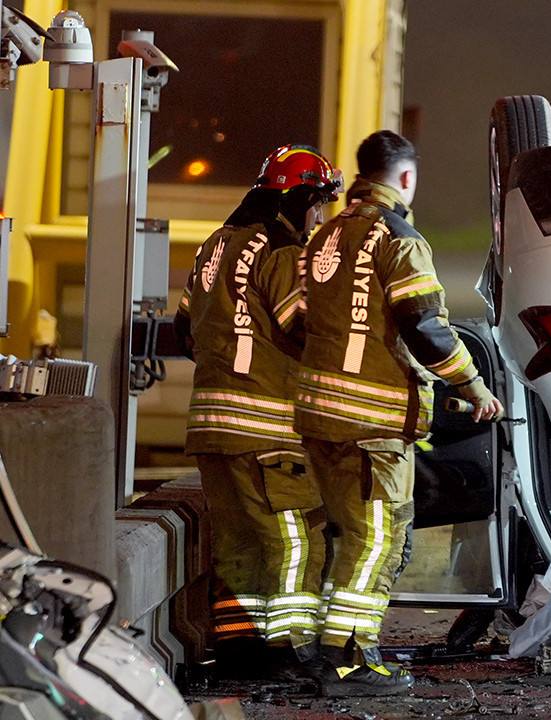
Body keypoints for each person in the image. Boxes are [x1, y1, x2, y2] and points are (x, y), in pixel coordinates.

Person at [295, 129, 503, 696]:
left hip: (318, 418)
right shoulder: (400, 240)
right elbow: (427, 327)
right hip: (372, 426)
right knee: (375, 543)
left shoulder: (323, 238)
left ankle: (330, 655)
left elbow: (299, 323)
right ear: (406, 177)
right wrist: (474, 387)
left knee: (346, 540)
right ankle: (349, 663)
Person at [174, 145, 342, 680]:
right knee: (296, 540)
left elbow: (184, 330)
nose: (318, 217)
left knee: (236, 545)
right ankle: (292, 650)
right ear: (300, 200)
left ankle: (239, 650)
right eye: (318, 205)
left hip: (210, 426)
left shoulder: (214, 246)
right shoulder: (282, 250)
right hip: (266, 428)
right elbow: (304, 328)